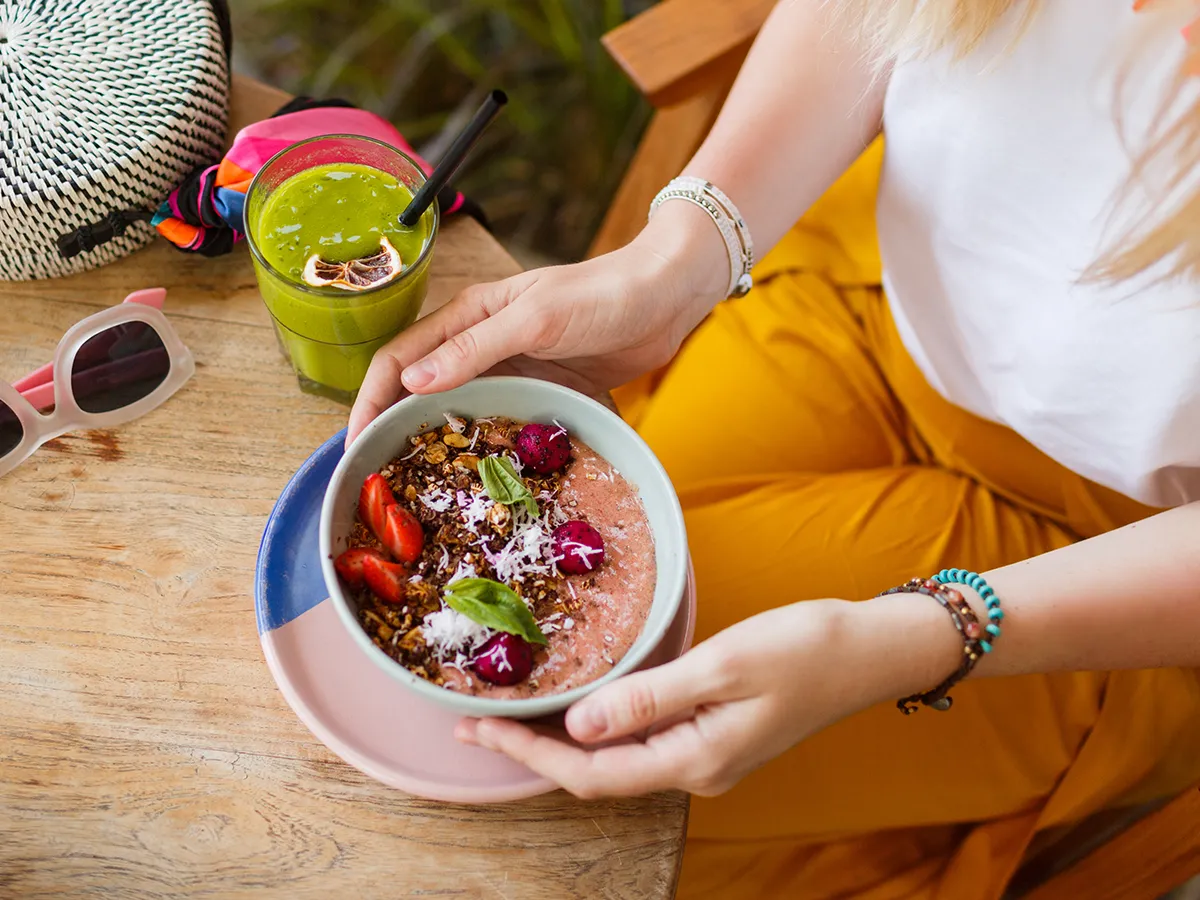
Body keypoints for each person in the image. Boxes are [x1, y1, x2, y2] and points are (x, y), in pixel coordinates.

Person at [348, 1, 1200, 897]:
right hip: (856, 290)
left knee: (565, 816)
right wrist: (676, 262)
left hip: (1103, 557)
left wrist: (913, 641)